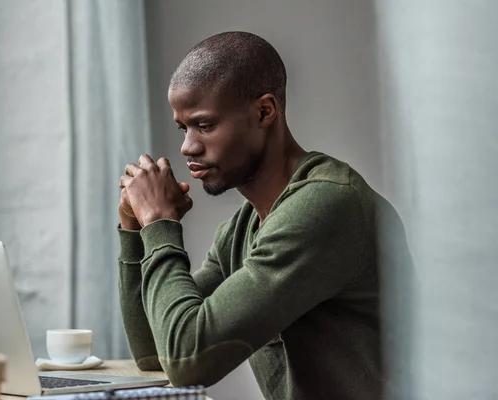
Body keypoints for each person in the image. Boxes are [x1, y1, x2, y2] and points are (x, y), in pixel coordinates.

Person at [117, 31, 411, 400]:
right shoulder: (244, 227)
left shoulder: (327, 205)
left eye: (204, 125)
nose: (187, 146)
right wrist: (135, 227)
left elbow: (188, 362)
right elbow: (154, 353)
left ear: (264, 112)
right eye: (184, 127)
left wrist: (161, 222)